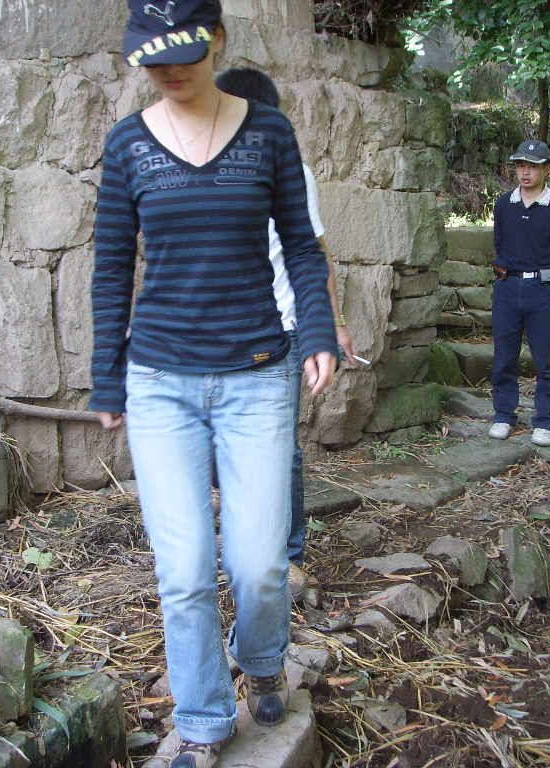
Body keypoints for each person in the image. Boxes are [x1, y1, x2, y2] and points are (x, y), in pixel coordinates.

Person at [90, 3, 338, 766]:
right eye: (153, 58)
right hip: (160, 383)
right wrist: (107, 378)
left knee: (260, 565)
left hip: (256, 379)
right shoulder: (128, 144)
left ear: (219, 41)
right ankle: (202, 718)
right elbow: (111, 266)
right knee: (186, 569)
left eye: (185, 53)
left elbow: (302, 246)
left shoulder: (269, 133)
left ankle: (260, 658)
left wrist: (318, 331)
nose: (168, 70)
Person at [214, 67, 355, 600]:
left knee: (279, 448)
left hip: (283, 329)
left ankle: (287, 555)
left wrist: (334, 323)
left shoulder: (293, 172)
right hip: (220, 333)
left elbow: (315, 253)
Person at [488, 139, 550, 447]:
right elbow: (500, 242)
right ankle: (503, 415)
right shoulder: (504, 204)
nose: (525, 173)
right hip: (508, 286)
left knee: (546, 359)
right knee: (504, 355)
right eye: (521, 166)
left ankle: (544, 421)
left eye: (533, 167)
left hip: (543, 289)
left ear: (547, 169)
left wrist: (541, 270)